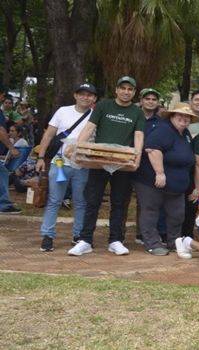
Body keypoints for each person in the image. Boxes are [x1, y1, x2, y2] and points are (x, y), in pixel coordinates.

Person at [68, 76, 145, 256]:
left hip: (122, 163)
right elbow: (89, 128)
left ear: (134, 93)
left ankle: (115, 240)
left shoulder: (137, 112)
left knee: (119, 203)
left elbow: (139, 135)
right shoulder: (103, 106)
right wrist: (78, 149)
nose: (126, 92)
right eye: (123, 88)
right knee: (92, 201)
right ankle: (85, 240)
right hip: (99, 161)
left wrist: (137, 158)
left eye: (130, 89)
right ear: (116, 90)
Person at [35, 83, 97, 251]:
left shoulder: (96, 115)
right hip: (60, 163)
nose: (85, 97)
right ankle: (47, 236)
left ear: (94, 98)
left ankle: (78, 236)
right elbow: (48, 135)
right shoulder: (62, 111)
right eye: (82, 94)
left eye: (89, 95)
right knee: (54, 200)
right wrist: (41, 157)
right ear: (75, 95)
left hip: (83, 165)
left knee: (81, 202)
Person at [133, 103, 197, 256]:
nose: (184, 119)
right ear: (172, 116)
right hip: (152, 182)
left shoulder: (185, 133)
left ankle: (174, 242)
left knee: (177, 215)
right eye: (180, 115)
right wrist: (160, 173)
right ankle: (152, 244)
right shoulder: (164, 129)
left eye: (187, 117)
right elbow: (152, 149)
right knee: (150, 212)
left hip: (176, 186)